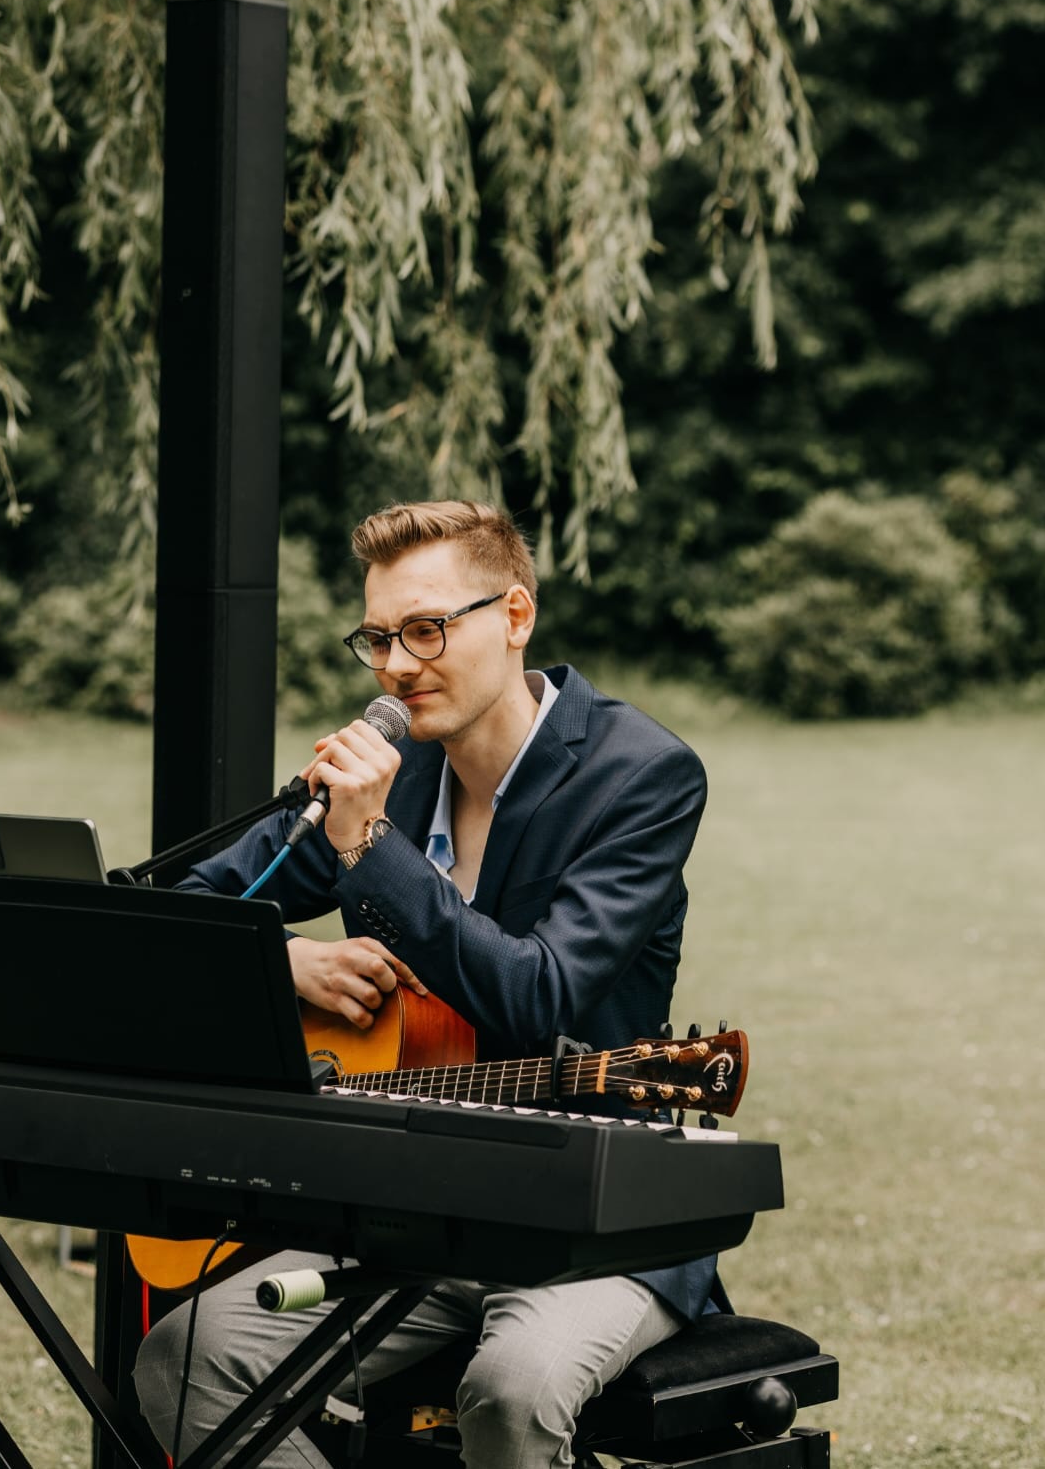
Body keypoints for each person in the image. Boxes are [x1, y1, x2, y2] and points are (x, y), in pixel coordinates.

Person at [134, 499, 712, 1468]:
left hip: (595, 1218)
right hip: (416, 1208)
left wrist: (367, 842)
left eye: (427, 628)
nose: (397, 665)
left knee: (513, 1386)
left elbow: (542, 994)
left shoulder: (639, 775)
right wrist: (283, 958)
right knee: (186, 1353)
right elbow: (190, 910)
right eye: (379, 636)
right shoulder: (392, 777)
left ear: (515, 614)